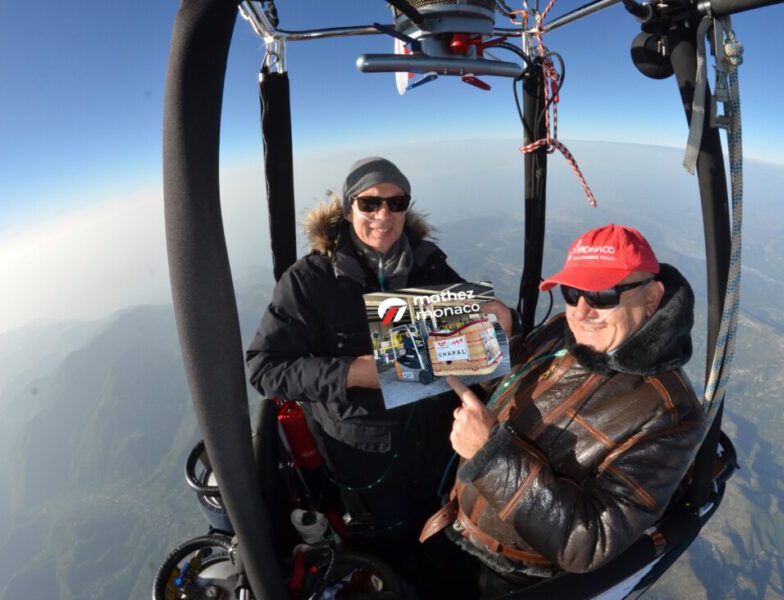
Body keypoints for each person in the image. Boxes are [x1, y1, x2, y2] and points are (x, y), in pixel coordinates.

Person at [245, 157, 508, 591]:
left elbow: (475, 339)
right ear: (349, 209)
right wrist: (353, 373)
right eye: (369, 203)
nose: (383, 215)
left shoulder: (429, 264)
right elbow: (264, 367)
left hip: (441, 441)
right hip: (368, 456)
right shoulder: (309, 281)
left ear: (407, 208)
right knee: (401, 543)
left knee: (451, 526)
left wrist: (502, 323)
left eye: (395, 202)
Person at [420, 223, 706, 597]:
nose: (582, 311)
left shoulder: (671, 414)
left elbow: (589, 541)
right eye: (572, 293)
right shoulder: (563, 331)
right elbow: (512, 397)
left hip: (513, 578)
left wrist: (490, 455)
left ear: (652, 298)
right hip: (454, 529)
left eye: (603, 295)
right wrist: (504, 347)